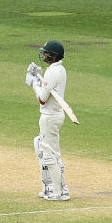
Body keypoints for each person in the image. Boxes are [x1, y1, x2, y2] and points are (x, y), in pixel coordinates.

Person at [25, 41, 70, 201]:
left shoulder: (52, 72)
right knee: (40, 145)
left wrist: (34, 83)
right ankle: (50, 187)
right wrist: (39, 77)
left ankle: (58, 193)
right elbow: (49, 88)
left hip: (50, 117)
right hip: (55, 115)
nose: (44, 55)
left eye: (46, 53)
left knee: (50, 155)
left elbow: (42, 98)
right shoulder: (59, 70)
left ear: (54, 55)